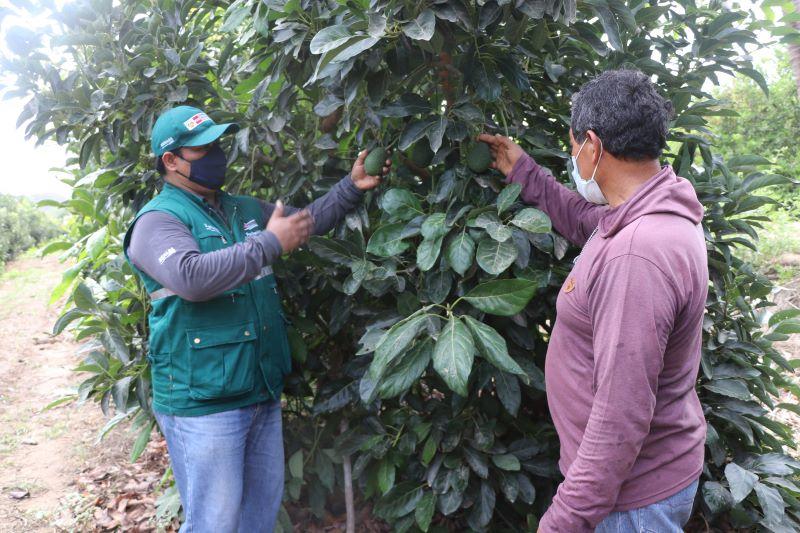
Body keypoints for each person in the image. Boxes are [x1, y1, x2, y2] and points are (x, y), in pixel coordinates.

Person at [122, 105, 390, 532]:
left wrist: (351, 186)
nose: (216, 154)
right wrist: (269, 243)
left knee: (257, 519)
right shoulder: (157, 221)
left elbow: (303, 223)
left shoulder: (240, 209)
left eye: (217, 144)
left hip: (259, 390)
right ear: (170, 160)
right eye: (202, 149)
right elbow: (191, 278)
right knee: (214, 524)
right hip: (205, 403)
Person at [479, 69, 707, 532]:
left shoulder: (636, 256)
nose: (573, 156)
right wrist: (523, 171)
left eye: (573, 145)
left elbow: (620, 416)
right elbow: (587, 220)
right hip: (645, 487)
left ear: (593, 145)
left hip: (631, 503)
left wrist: (563, 521)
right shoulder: (650, 210)